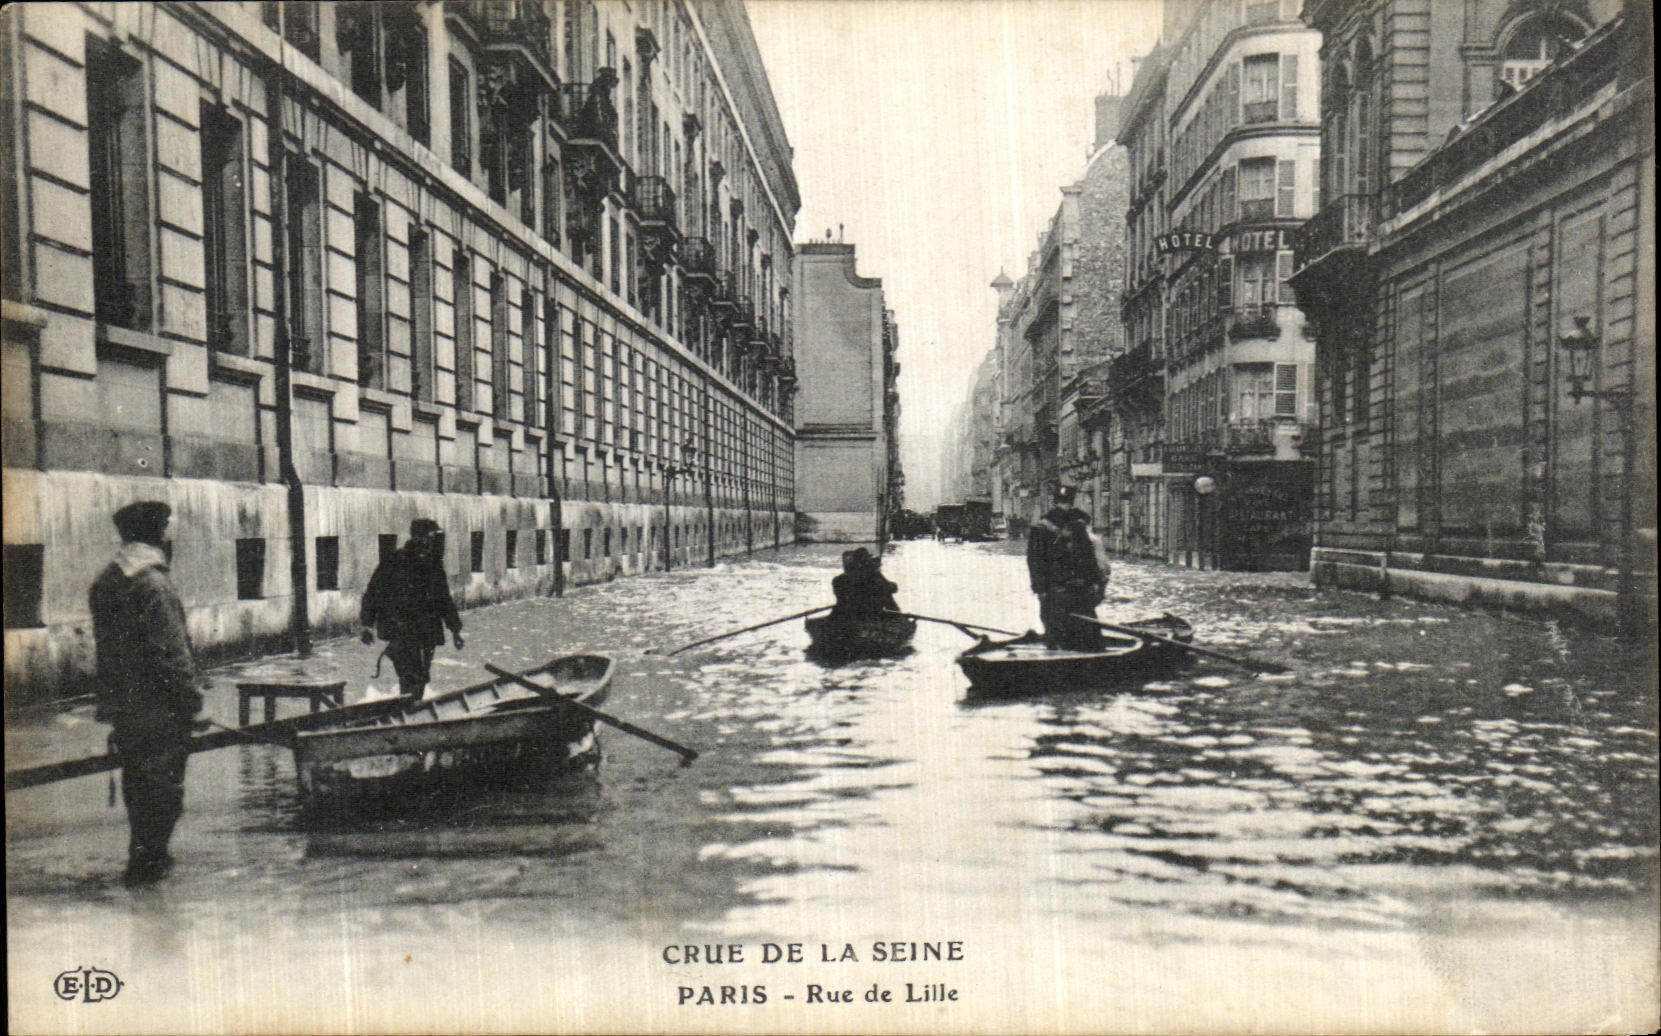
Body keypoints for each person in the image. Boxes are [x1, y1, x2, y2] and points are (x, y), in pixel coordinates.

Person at [89, 500, 203, 887]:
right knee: (164, 790)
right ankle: (149, 870)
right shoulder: (153, 584)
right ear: (159, 534)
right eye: (169, 528)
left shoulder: (108, 581)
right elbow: (171, 653)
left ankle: (144, 862)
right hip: (160, 709)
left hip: (125, 707)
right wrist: (192, 701)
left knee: (138, 784)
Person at [360, 518, 464, 701]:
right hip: (401, 629)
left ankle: (411, 709)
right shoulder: (394, 561)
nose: (434, 542)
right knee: (410, 676)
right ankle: (409, 711)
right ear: (418, 537)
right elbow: (373, 593)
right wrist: (367, 625)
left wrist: (455, 629)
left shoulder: (434, 564)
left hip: (427, 631)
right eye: (431, 537)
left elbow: (443, 599)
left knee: (421, 675)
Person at [1026, 486, 1108, 650]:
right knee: (1086, 629)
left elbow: (1034, 561)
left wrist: (1039, 587)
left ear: (1055, 502)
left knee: (1054, 629)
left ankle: (1056, 656)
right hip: (1077, 587)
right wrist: (1095, 583)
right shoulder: (1077, 525)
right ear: (1071, 502)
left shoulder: (1040, 528)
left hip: (1054, 589)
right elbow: (1088, 558)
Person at [830, 547, 900, 623]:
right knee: (886, 594)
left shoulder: (837, 579)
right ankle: (897, 620)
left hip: (844, 616)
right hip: (869, 616)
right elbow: (893, 588)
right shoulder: (873, 577)